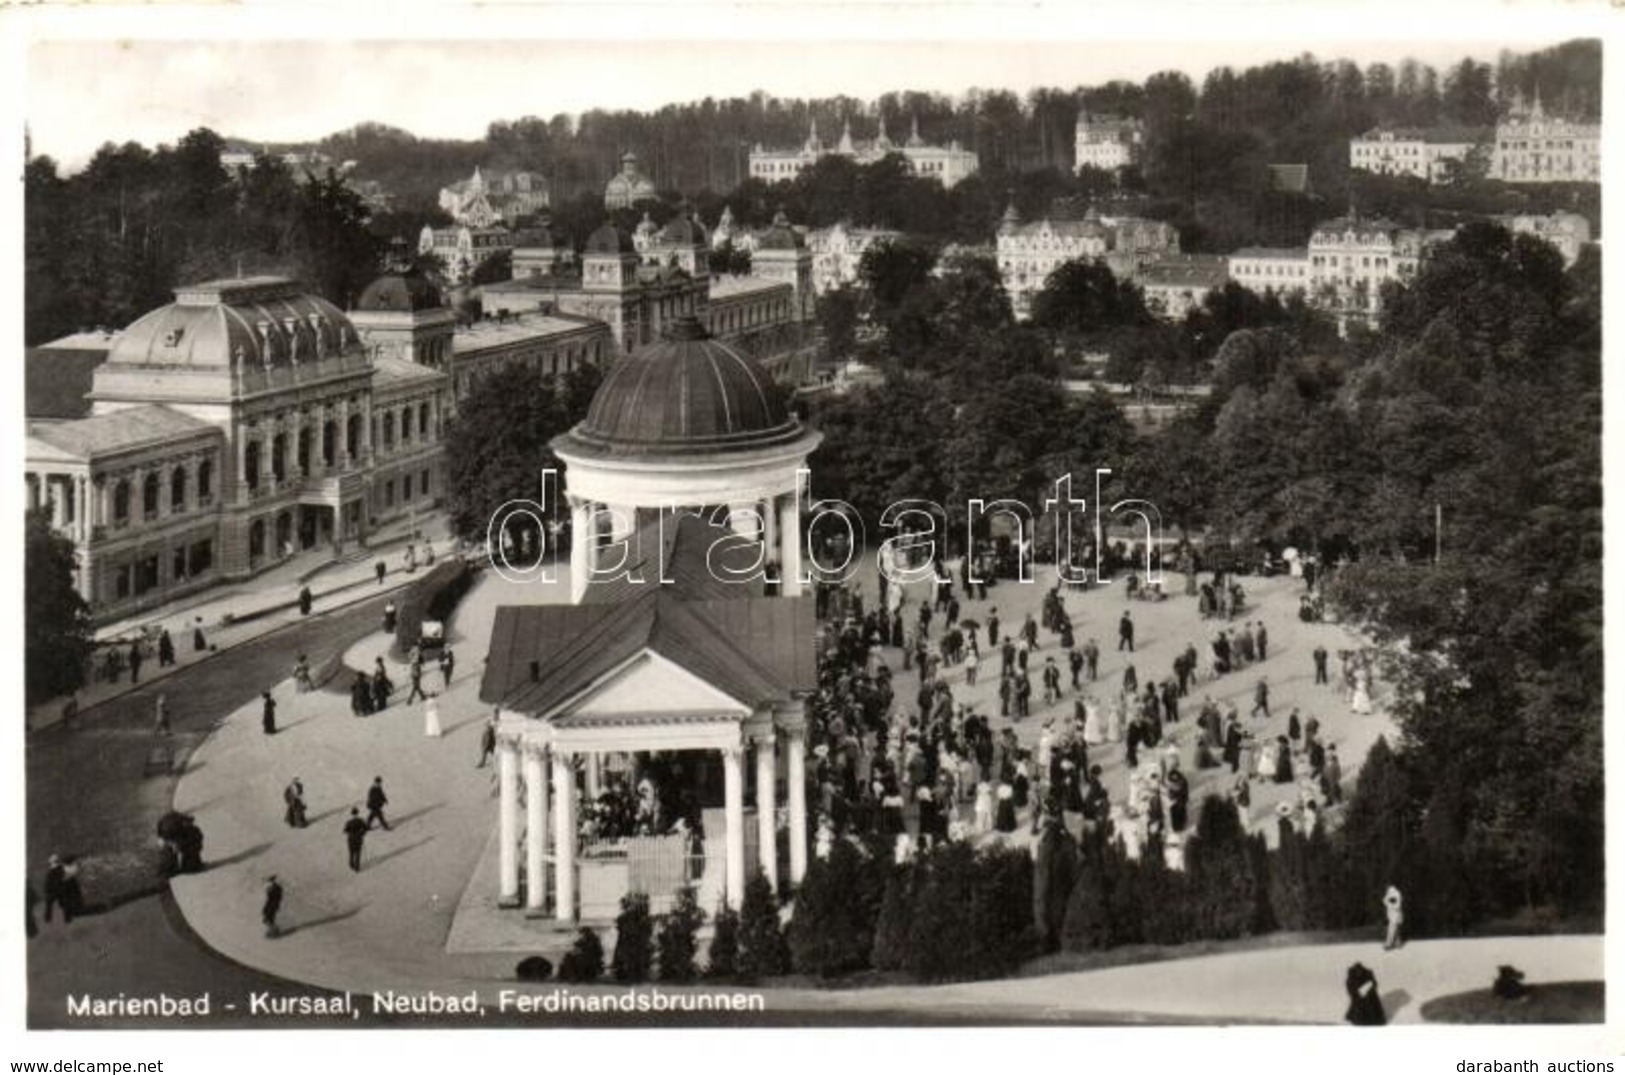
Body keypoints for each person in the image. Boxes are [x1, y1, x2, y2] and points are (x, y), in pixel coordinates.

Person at [42, 855, 67, 924]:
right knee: (60, 903)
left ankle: (48, 919)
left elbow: (48, 882)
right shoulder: (58, 869)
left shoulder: (55, 870)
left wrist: (47, 889)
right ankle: (48, 918)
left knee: (51, 904)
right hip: (57, 890)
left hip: (55, 890)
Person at [1383, 885, 1404, 950]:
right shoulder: (1388, 895)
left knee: (1391, 929)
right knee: (1396, 929)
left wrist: (1389, 904)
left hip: (1396, 915)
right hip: (1392, 915)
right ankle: (1398, 943)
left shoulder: (1397, 895)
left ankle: (1388, 944)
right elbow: (1384, 901)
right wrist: (1388, 903)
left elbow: (1397, 906)